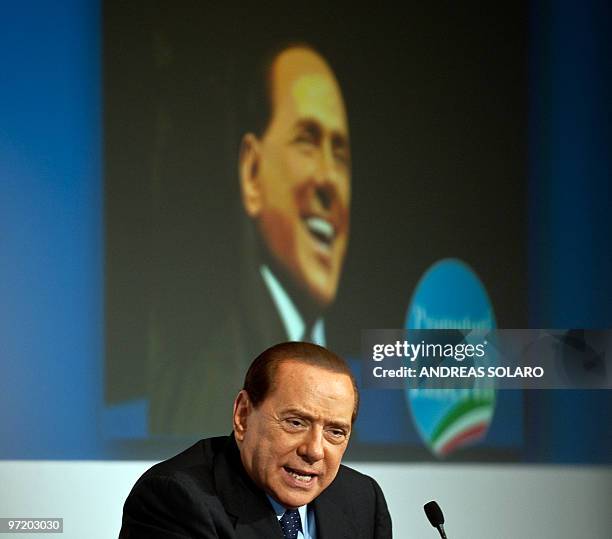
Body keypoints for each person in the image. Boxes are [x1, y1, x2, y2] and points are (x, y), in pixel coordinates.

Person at [150, 44, 351, 435]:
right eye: (307, 141)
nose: (329, 181)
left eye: (339, 152)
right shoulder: (195, 384)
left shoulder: (363, 496)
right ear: (252, 172)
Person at [121, 342, 392, 538]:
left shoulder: (362, 500)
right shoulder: (175, 500)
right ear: (243, 415)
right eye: (296, 423)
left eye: (335, 431)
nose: (314, 451)